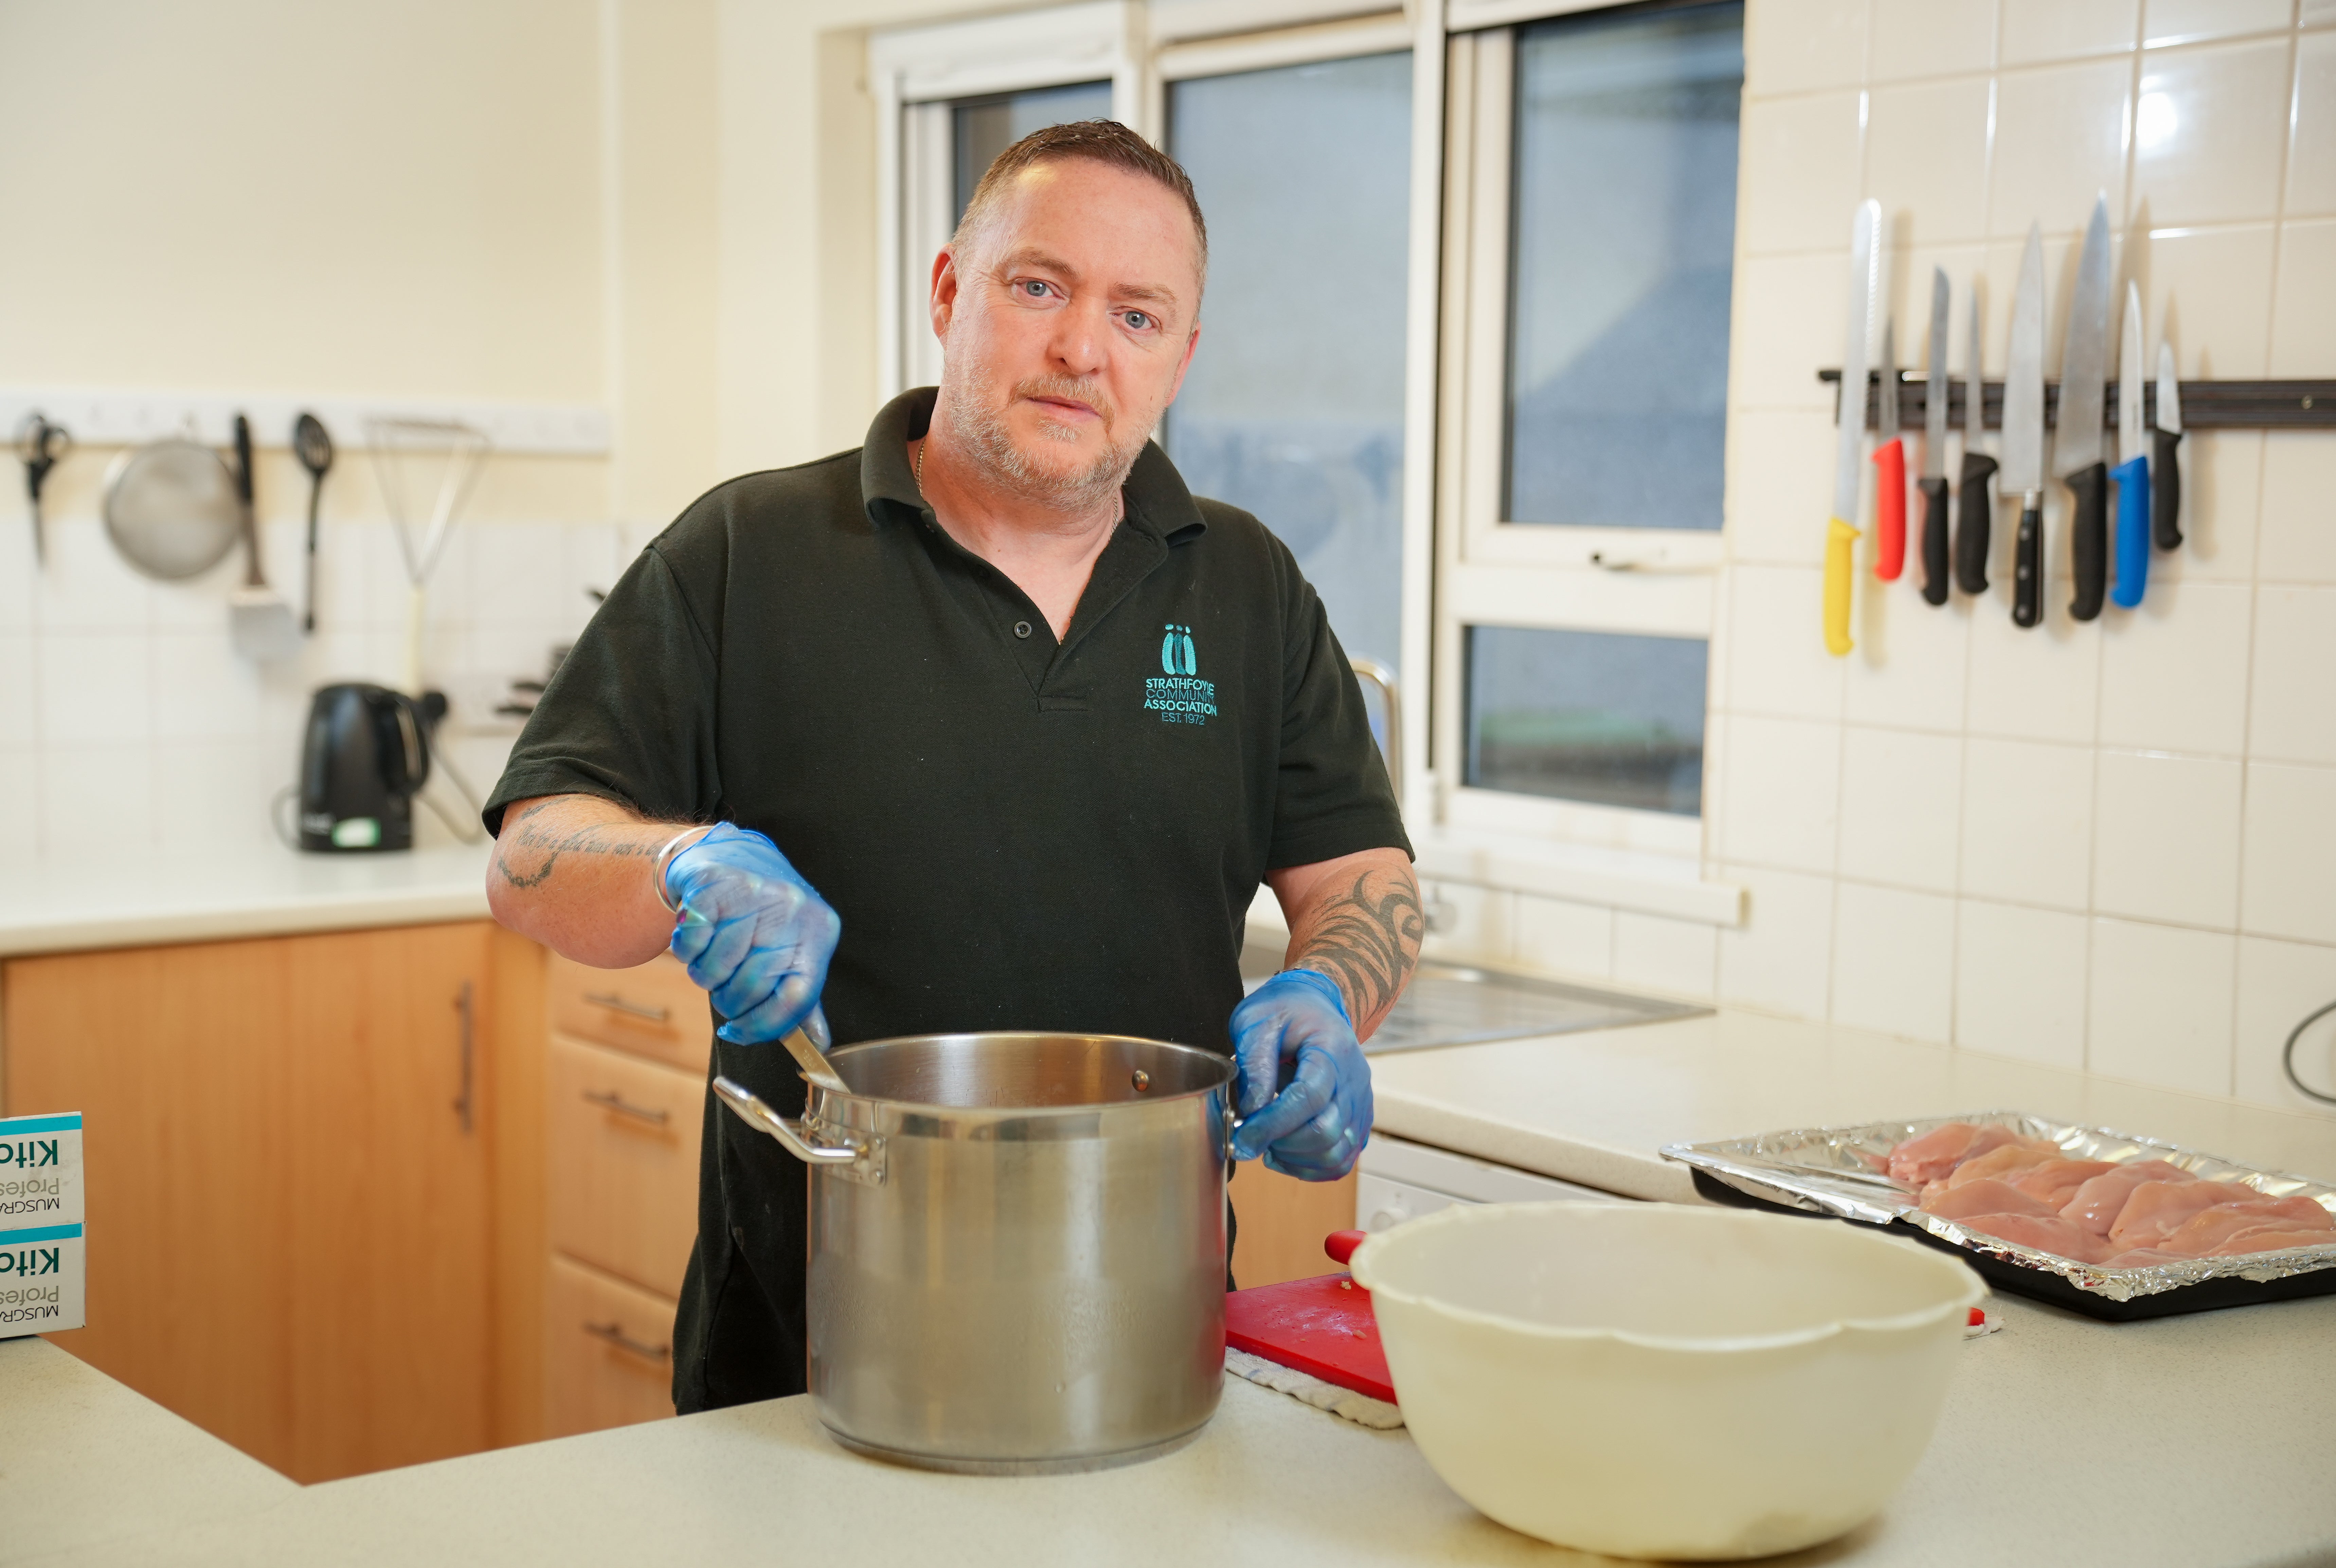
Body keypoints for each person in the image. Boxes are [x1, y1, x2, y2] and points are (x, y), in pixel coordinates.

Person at [482, 120, 1420, 1414]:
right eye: (1040, 287)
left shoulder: (1246, 582)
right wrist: (678, 862)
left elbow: (1361, 873)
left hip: (1148, 1340)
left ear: (1182, 359)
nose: (1084, 349)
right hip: (804, 1360)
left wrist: (1329, 995)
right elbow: (529, 856)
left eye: (1138, 316)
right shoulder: (752, 551)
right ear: (948, 293)